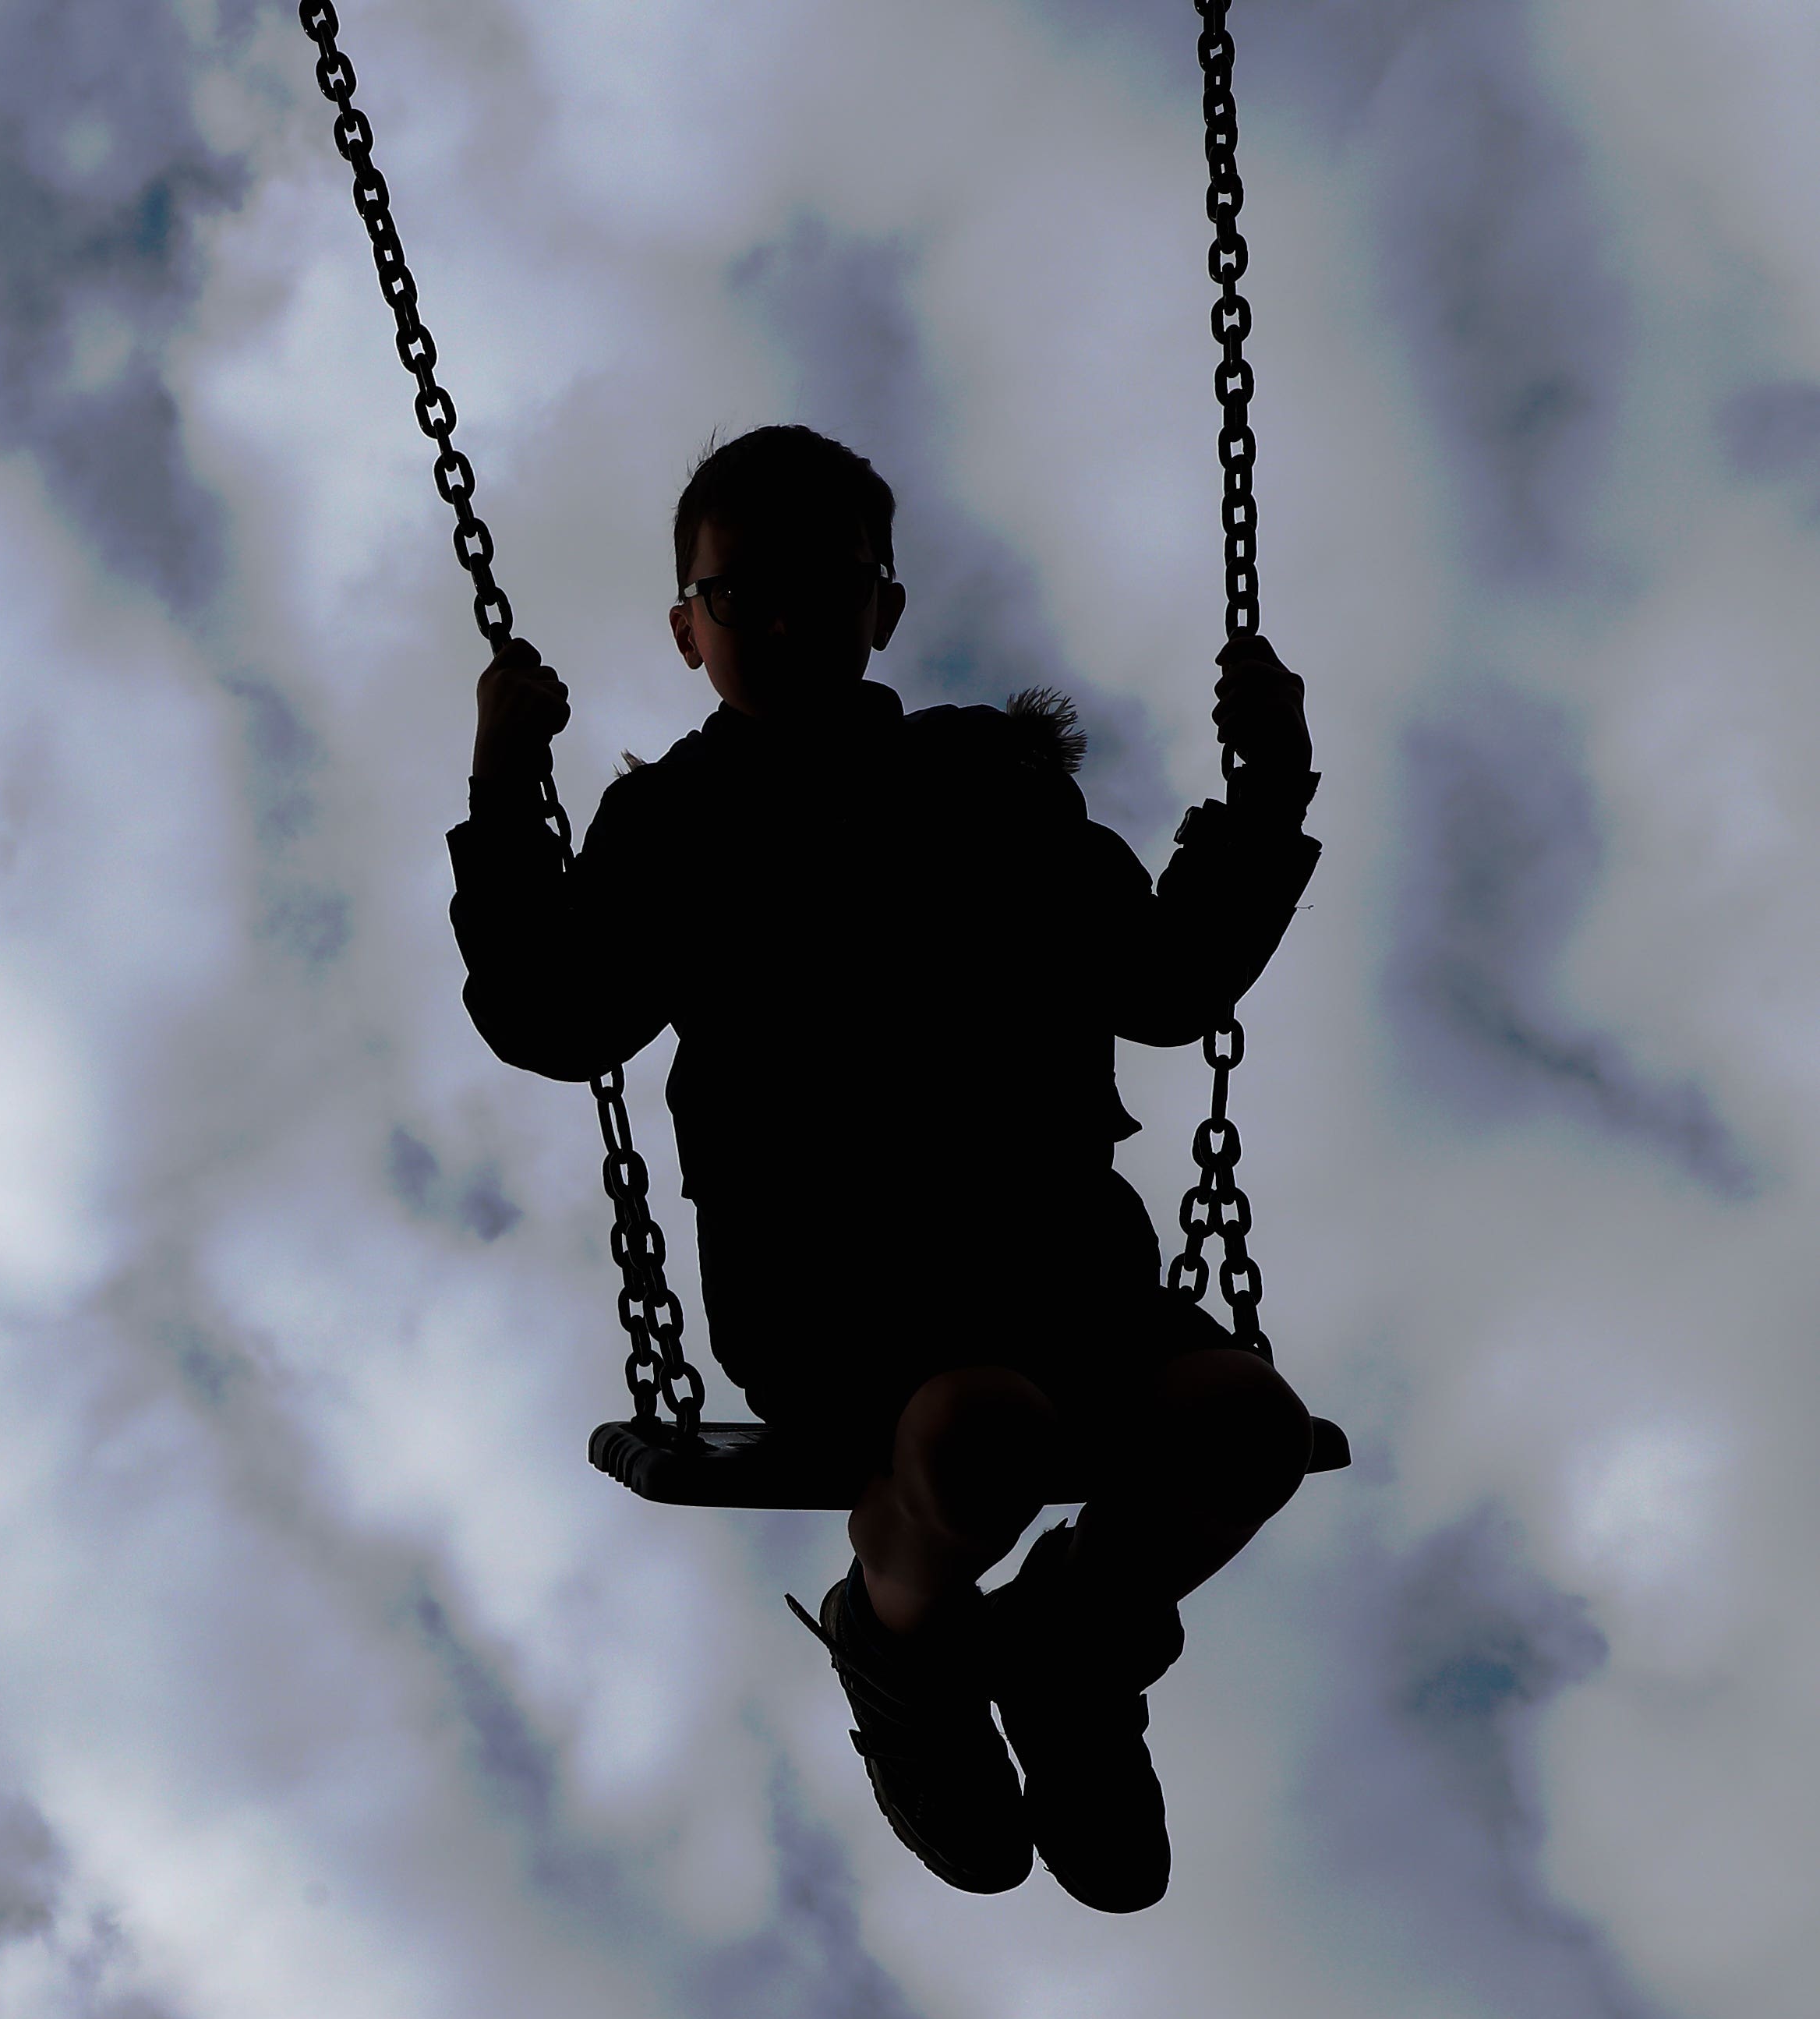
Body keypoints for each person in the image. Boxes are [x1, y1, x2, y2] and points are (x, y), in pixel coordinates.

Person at [449, 424, 1320, 1914]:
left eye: (821, 585)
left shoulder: (986, 781)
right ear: (685, 631)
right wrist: (503, 771)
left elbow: (1162, 980)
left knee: (1248, 1426)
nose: (780, 622)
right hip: (830, 1286)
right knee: (978, 1432)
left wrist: (1264, 797)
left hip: (1057, 1261)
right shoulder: (674, 823)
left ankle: (1072, 1652)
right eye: (737, 598)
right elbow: (553, 1012)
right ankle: (904, 1650)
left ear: (881, 609)